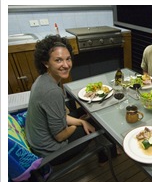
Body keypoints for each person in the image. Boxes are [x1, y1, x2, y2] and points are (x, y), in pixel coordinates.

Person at [25, 35, 117, 165]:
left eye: (68, 59)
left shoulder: (42, 79)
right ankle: (107, 156)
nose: (66, 65)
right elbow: (60, 136)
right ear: (46, 63)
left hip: (39, 141)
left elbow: (60, 116)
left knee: (85, 113)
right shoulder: (52, 91)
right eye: (58, 60)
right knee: (99, 121)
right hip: (50, 151)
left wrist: (80, 121)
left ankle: (106, 152)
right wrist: (78, 124)